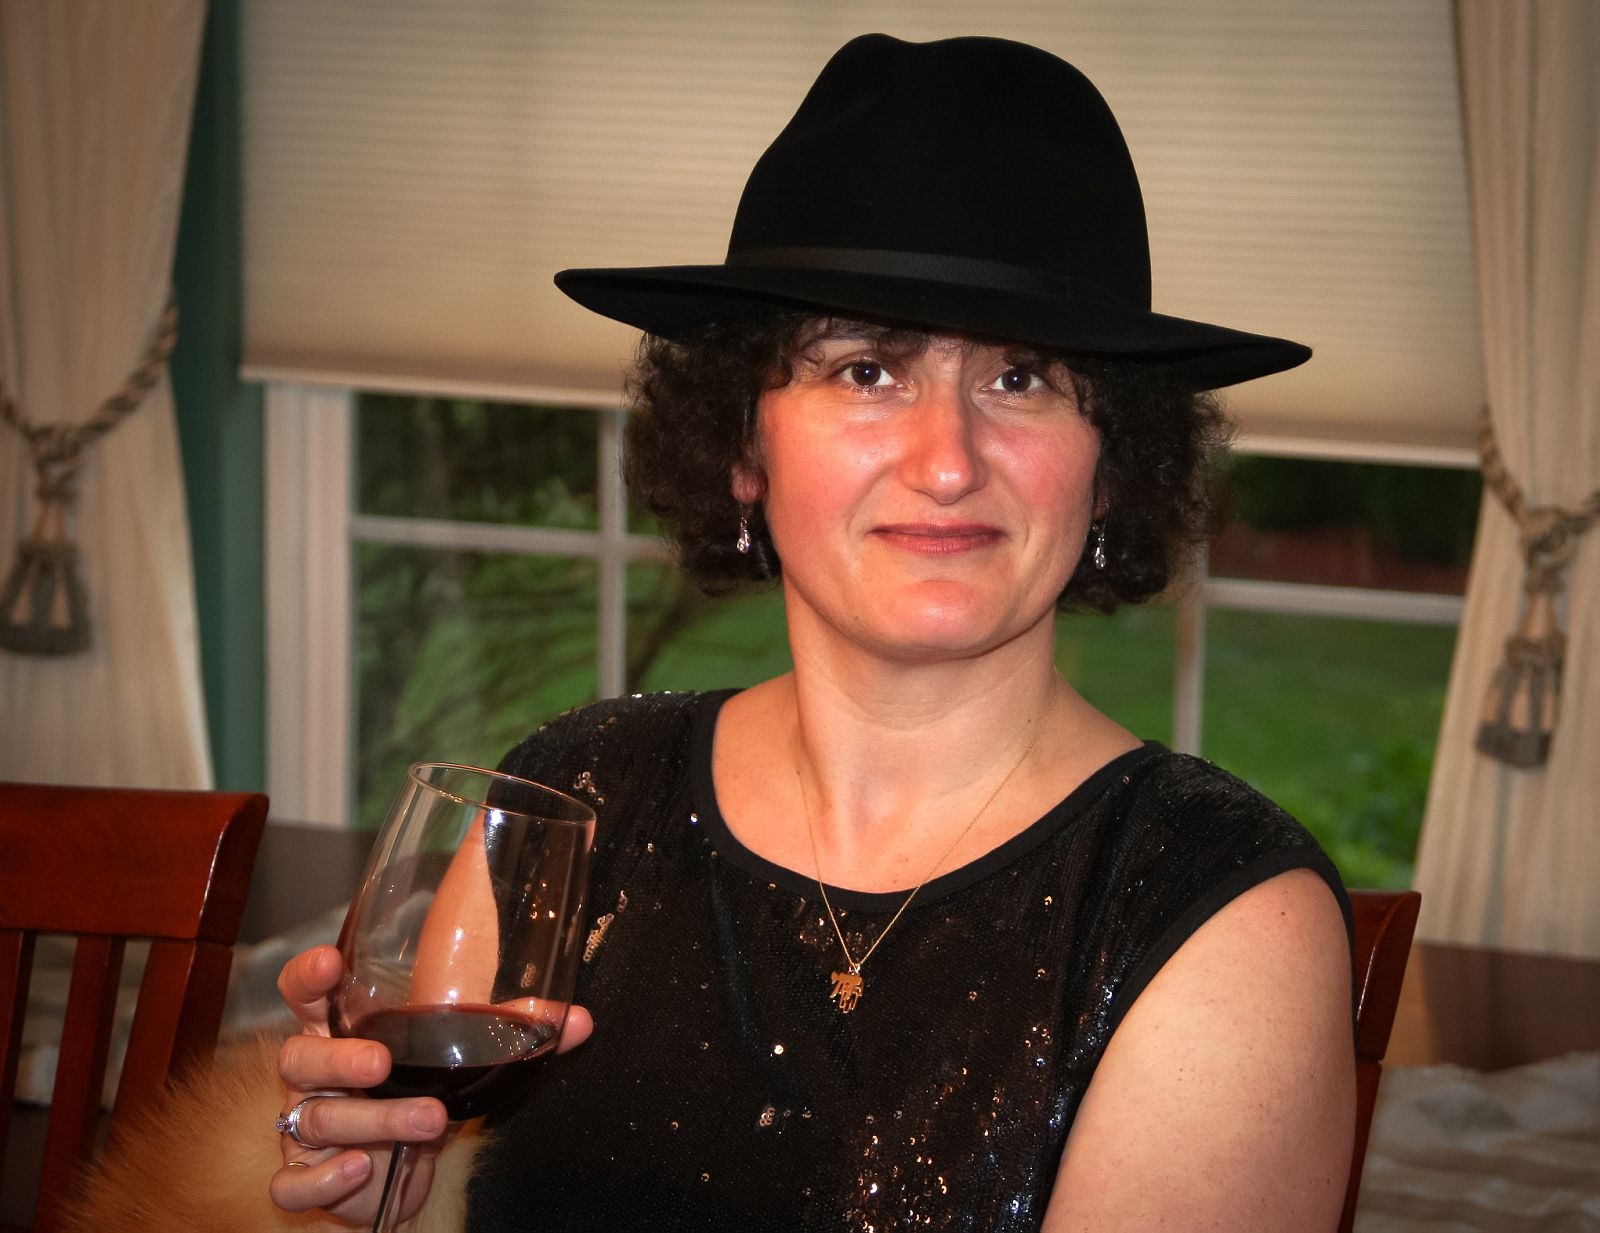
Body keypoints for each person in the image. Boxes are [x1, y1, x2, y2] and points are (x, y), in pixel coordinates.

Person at [262, 32, 1355, 1232]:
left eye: (1023, 379)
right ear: (743, 445)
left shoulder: (1219, 913)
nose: (947, 462)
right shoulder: (571, 802)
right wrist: (388, 1203)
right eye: (866, 371)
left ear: (1111, 470)